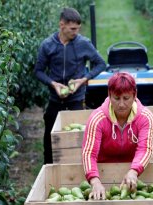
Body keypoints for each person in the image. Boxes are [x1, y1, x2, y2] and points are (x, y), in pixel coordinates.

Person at [34, 7, 106, 164]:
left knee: (79, 138)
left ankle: (81, 169)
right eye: (73, 29)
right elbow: (38, 71)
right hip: (55, 100)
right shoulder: (48, 45)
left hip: (76, 99)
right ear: (62, 25)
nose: (76, 32)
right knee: (50, 139)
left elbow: (101, 64)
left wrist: (83, 80)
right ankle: (49, 171)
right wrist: (53, 84)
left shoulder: (83, 44)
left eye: (78, 29)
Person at [81, 72, 153, 200]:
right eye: (116, 98)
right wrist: (95, 181)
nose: (121, 104)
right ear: (109, 95)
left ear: (135, 95)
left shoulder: (145, 118)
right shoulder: (97, 119)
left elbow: (145, 148)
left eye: (126, 98)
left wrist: (134, 171)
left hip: (133, 172)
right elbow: (89, 153)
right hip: (102, 173)